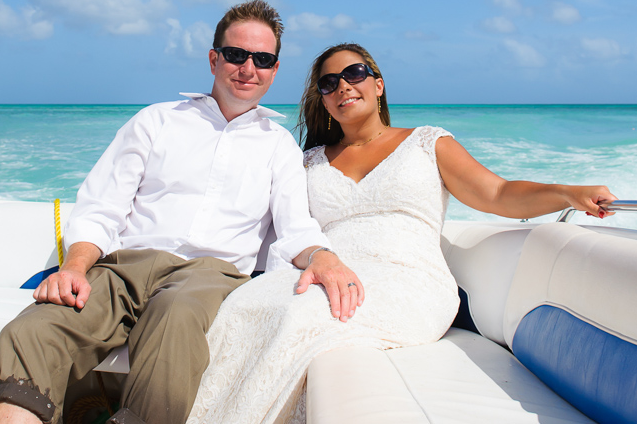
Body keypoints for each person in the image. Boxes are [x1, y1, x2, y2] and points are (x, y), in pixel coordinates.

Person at [186, 42, 617, 424]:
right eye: (329, 83)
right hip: (331, 272)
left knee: (303, 316)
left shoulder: (427, 143)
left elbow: (497, 193)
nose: (343, 87)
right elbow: (277, 223)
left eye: (354, 74)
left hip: (409, 280)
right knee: (243, 307)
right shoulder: (309, 161)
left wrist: (567, 193)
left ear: (378, 85)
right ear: (323, 99)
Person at [0, 3, 363, 424]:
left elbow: (295, 227)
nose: (248, 68)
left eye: (262, 60)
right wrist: (74, 267)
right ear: (214, 58)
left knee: (175, 318)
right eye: (236, 54)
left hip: (209, 274)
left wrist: (322, 256)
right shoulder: (156, 121)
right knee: (31, 332)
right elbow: (102, 207)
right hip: (123, 268)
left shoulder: (279, 147)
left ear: (274, 70)